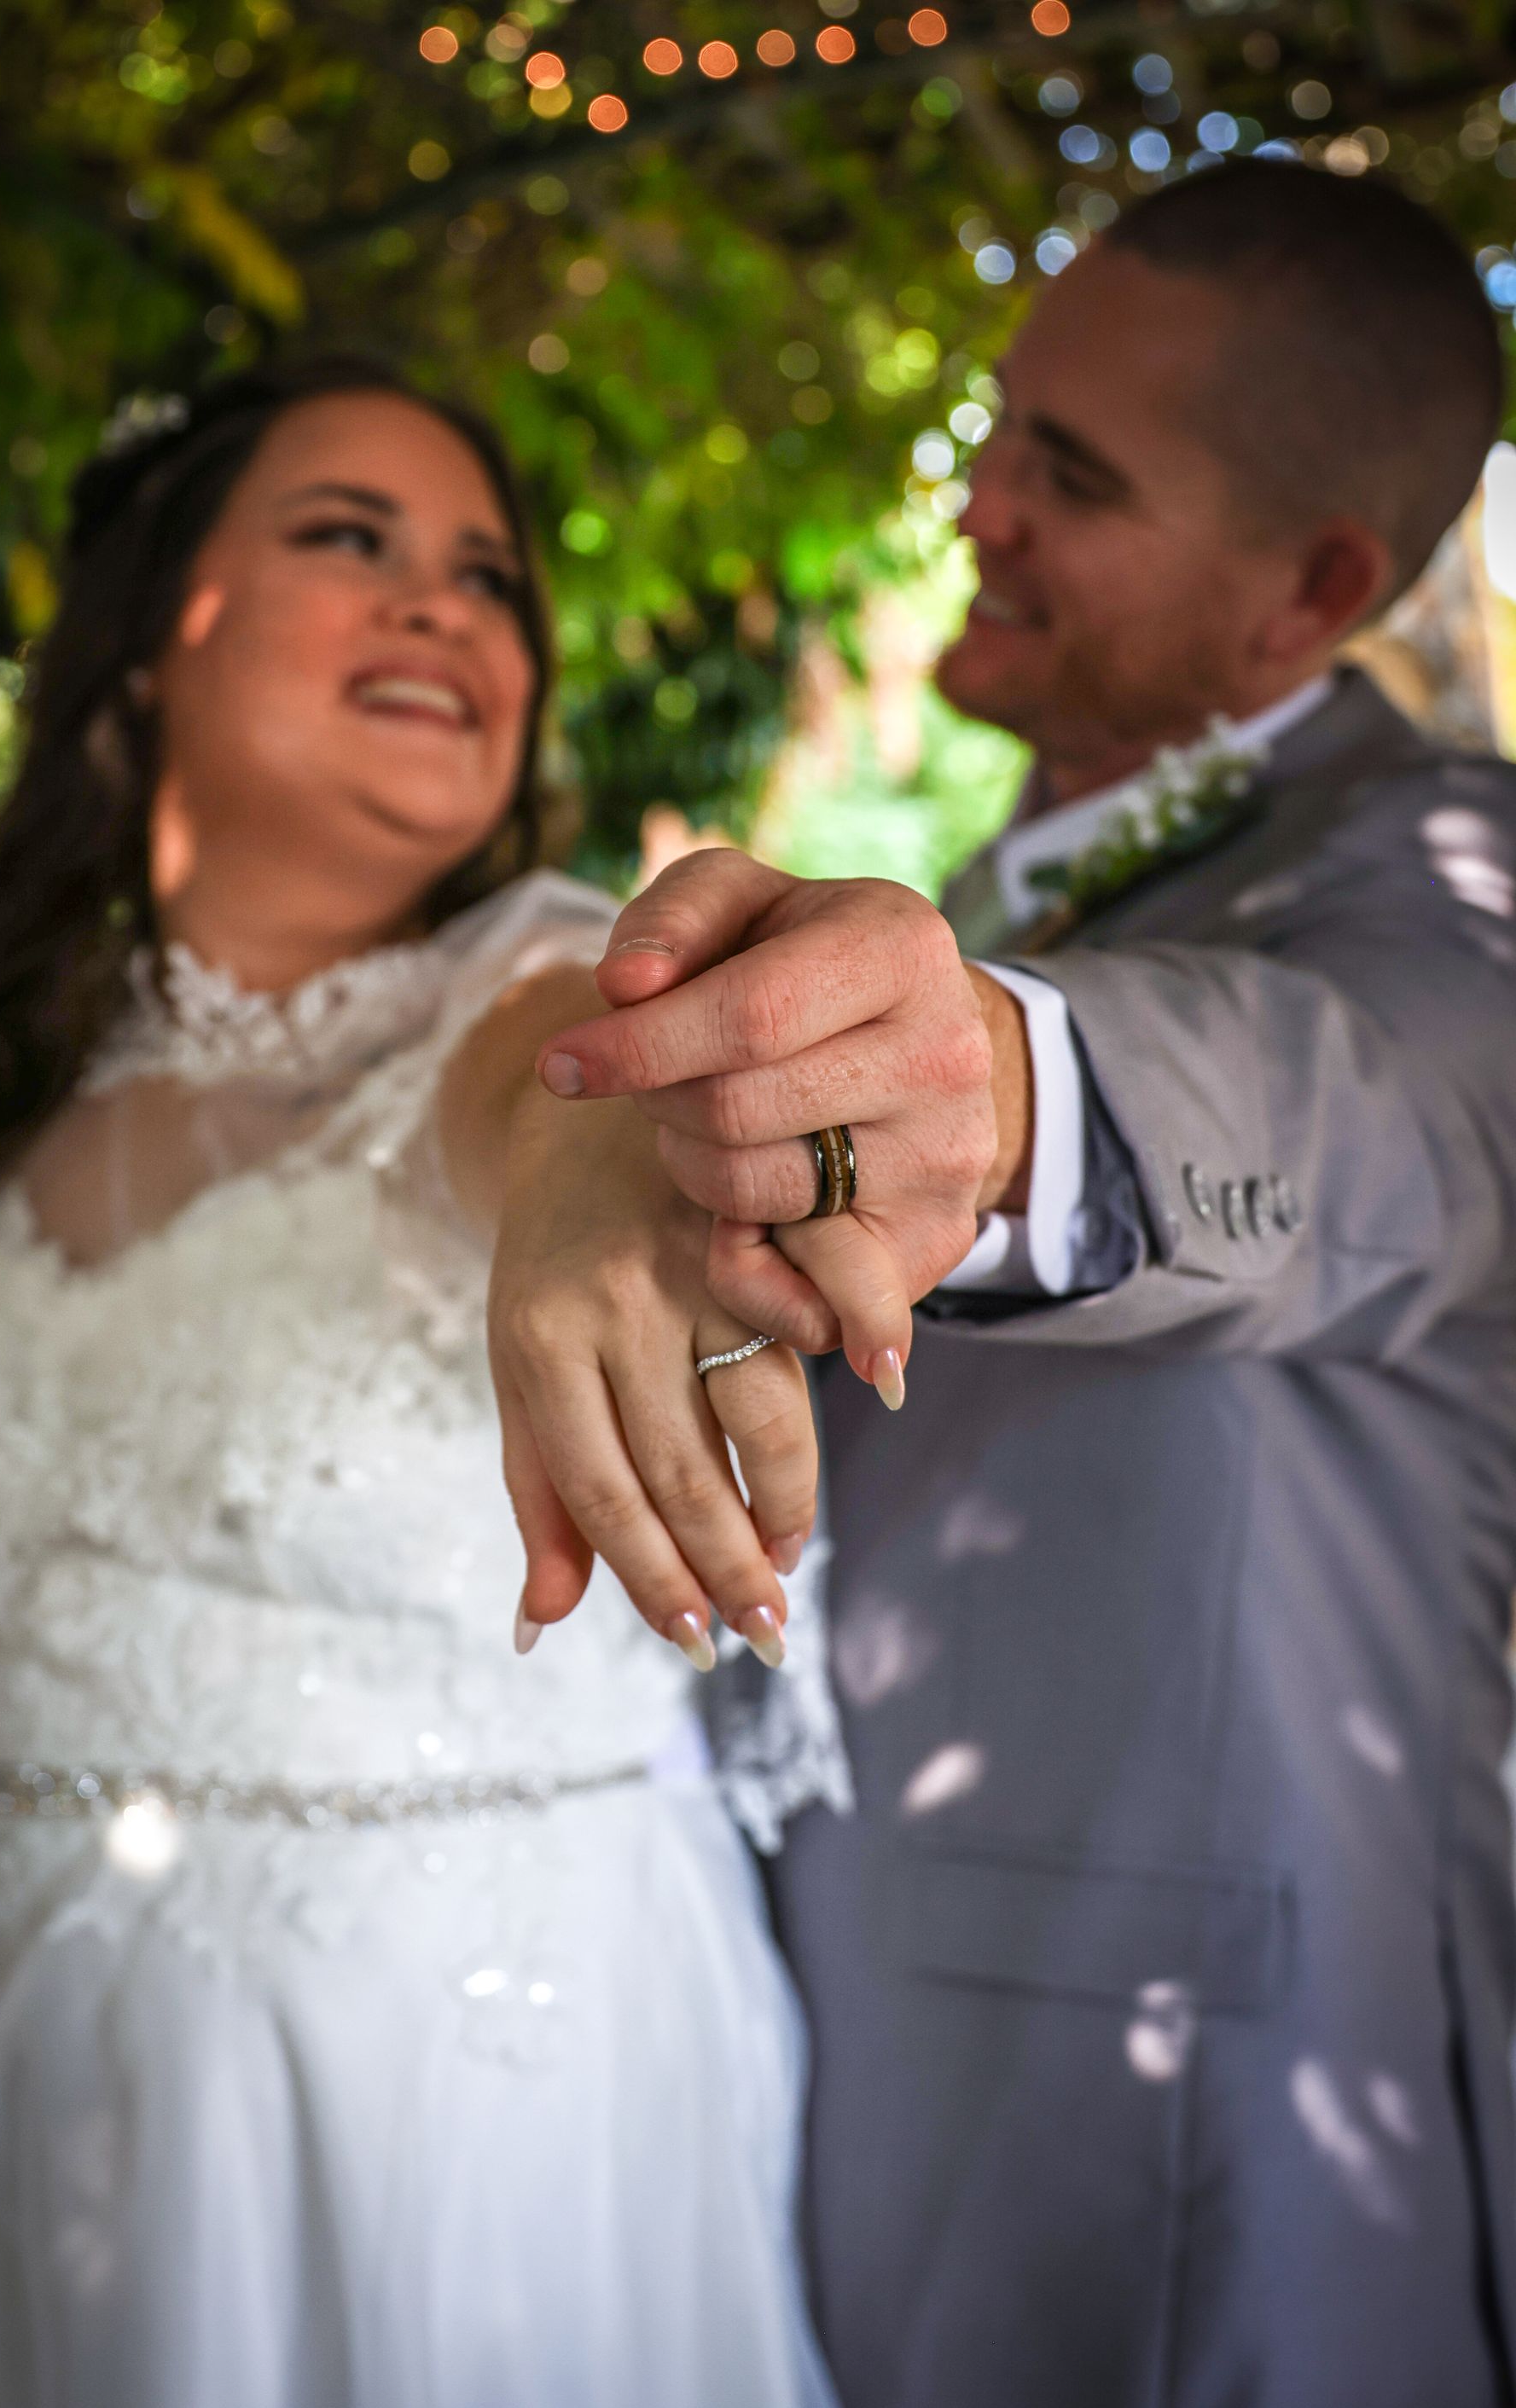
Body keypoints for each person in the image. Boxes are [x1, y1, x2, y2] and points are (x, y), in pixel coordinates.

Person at [506, 162, 1516, 2405]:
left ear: (1314, 591)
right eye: (1000, 439)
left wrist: (999, 1083)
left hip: (1178, 2155)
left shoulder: (1454, 874)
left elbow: (1348, 1116)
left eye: (1072, 477)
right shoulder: (988, 871)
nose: (983, 513)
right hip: (799, 2053)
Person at [0, 357, 850, 2407]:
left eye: (487, 576)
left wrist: (600, 1165)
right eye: (351, 538)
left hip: (434, 2071)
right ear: (150, 643)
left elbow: (582, 1077)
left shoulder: (534, 988)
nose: (443, 606)